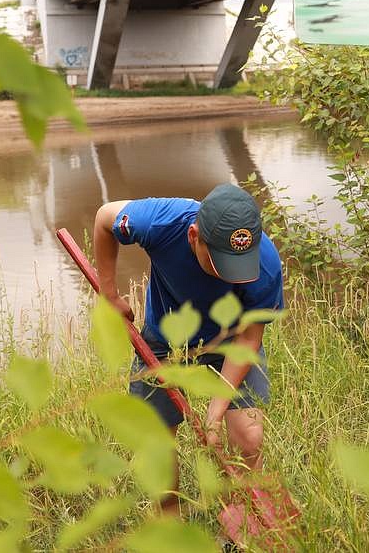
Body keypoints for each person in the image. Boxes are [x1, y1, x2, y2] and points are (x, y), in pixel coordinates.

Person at [92, 182, 284, 513]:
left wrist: (215, 411)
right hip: (166, 341)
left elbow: (249, 338)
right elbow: (103, 218)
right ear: (194, 236)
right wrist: (110, 295)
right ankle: (169, 525)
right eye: (220, 264)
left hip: (231, 339)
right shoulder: (160, 222)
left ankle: (241, 523)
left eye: (240, 266)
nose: (233, 279)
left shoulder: (265, 265)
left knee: (248, 437)